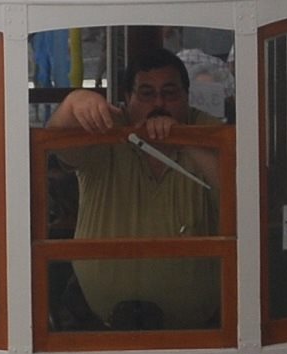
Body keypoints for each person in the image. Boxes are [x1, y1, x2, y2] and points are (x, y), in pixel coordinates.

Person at [45, 50, 222, 330]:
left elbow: (239, 185)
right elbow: (57, 145)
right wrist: (74, 102)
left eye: (170, 93)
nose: (159, 103)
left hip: (198, 334)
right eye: (147, 94)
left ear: (188, 97)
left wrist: (183, 137)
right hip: (98, 327)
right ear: (127, 99)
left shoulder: (207, 130)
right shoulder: (107, 131)